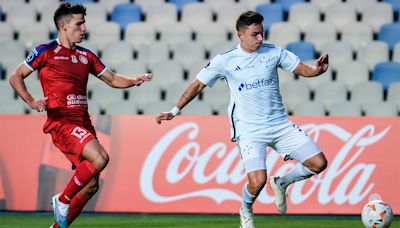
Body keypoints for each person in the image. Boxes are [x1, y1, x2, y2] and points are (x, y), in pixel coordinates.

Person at [156, 11, 328, 228]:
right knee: (257, 182)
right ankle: (245, 210)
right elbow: (197, 84)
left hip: (280, 125)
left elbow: (302, 69)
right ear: (240, 35)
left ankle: (282, 182)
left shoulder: (273, 52)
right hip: (249, 130)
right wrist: (174, 110)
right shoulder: (224, 60)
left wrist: (317, 71)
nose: (260, 38)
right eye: (255, 34)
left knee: (318, 163)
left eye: (262, 33)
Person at [9, 2, 152, 228]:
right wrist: (32, 101)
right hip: (62, 122)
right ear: (64, 26)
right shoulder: (45, 51)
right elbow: (16, 76)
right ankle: (63, 199)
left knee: (91, 185)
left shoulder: (86, 56)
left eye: (84, 23)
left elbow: (113, 79)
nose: (84, 28)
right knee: (101, 158)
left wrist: (133, 81)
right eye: (80, 23)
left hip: (83, 123)